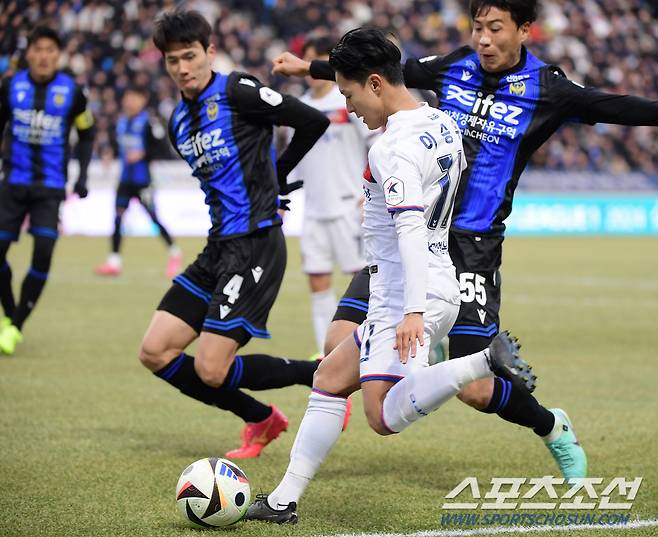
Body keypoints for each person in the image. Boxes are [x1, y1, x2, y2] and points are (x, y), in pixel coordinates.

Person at [268, 0, 658, 485]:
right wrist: (310, 67)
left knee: (475, 391)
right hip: (411, 234)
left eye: (496, 28)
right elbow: (386, 73)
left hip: (473, 243)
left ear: (525, 31)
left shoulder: (547, 87)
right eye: (478, 27)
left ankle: (552, 426)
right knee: (335, 345)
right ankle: (402, 368)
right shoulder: (454, 67)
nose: (484, 39)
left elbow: (612, 105)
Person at [246, 27, 537, 524]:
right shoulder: (440, 121)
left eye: (350, 93)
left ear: (376, 82)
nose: (351, 106)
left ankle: (482, 361)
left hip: (404, 291)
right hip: (436, 275)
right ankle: (282, 501)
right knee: (329, 378)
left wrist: (411, 312)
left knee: (381, 418)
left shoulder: (391, 148)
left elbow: (408, 227)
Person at [138, 9, 330, 459]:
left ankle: (319, 373)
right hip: (217, 247)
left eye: (190, 56)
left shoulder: (237, 90)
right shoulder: (178, 122)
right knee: (155, 350)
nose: (182, 68)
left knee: (210, 367)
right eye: (172, 61)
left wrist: (278, 175)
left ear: (210, 51)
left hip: (256, 243)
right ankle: (261, 418)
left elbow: (311, 121)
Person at [0, 26, 94, 355]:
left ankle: (14, 326)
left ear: (58, 55)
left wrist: (82, 175)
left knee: (42, 253)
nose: (44, 56)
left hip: (50, 189)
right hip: (11, 184)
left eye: (50, 50)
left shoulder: (73, 92)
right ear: (29, 54)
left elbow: (86, 134)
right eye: (38, 49)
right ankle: (11, 315)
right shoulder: (11, 86)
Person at [289, 35, 373, 355]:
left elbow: (375, 143)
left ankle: (366, 346)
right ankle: (326, 352)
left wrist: (370, 189)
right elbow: (295, 159)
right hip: (313, 209)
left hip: (348, 206)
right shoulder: (299, 109)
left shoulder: (348, 103)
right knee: (317, 281)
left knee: (361, 282)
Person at [95, 87, 182, 278]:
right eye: (127, 98)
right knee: (117, 218)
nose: (129, 102)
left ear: (142, 100)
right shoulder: (122, 121)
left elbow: (162, 149)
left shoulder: (149, 123)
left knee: (154, 218)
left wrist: (143, 154)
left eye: (134, 98)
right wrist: (108, 153)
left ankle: (175, 252)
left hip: (143, 181)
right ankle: (114, 261)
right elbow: (114, 142)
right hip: (125, 180)